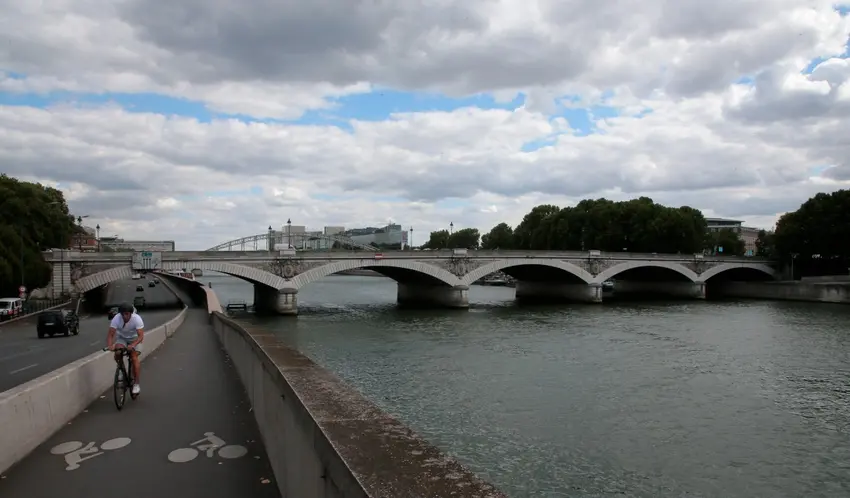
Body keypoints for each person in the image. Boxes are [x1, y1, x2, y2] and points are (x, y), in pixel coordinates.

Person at [106, 302, 144, 395]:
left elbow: (141, 336)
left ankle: (136, 383)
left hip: (135, 339)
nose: (124, 316)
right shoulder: (116, 318)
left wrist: (133, 345)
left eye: (127, 314)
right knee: (117, 353)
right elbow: (111, 334)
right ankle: (121, 370)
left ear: (131, 313)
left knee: (134, 357)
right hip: (122, 338)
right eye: (122, 314)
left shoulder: (137, 319)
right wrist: (110, 345)